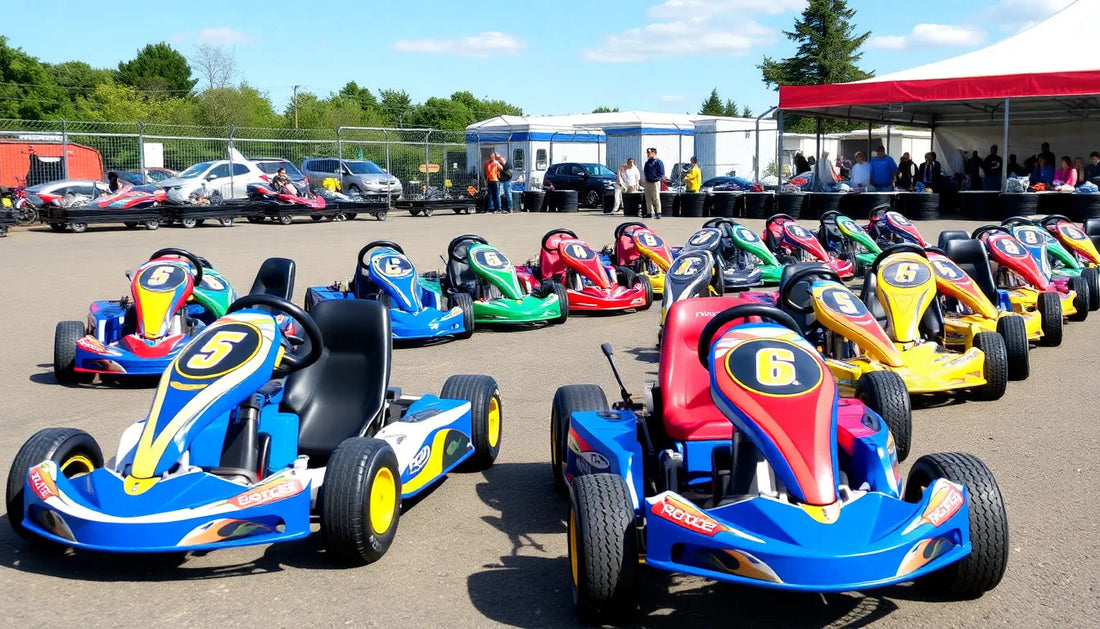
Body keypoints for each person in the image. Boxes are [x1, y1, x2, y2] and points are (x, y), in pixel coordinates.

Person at [642, 147, 665, 219]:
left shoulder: (658, 162)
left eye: (649, 153)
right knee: (648, 198)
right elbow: (645, 171)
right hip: (647, 182)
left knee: (656, 198)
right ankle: (650, 212)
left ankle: (658, 212)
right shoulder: (647, 162)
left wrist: (656, 178)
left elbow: (661, 173)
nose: (648, 154)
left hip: (655, 182)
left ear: (654, 153)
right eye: (647, 153)